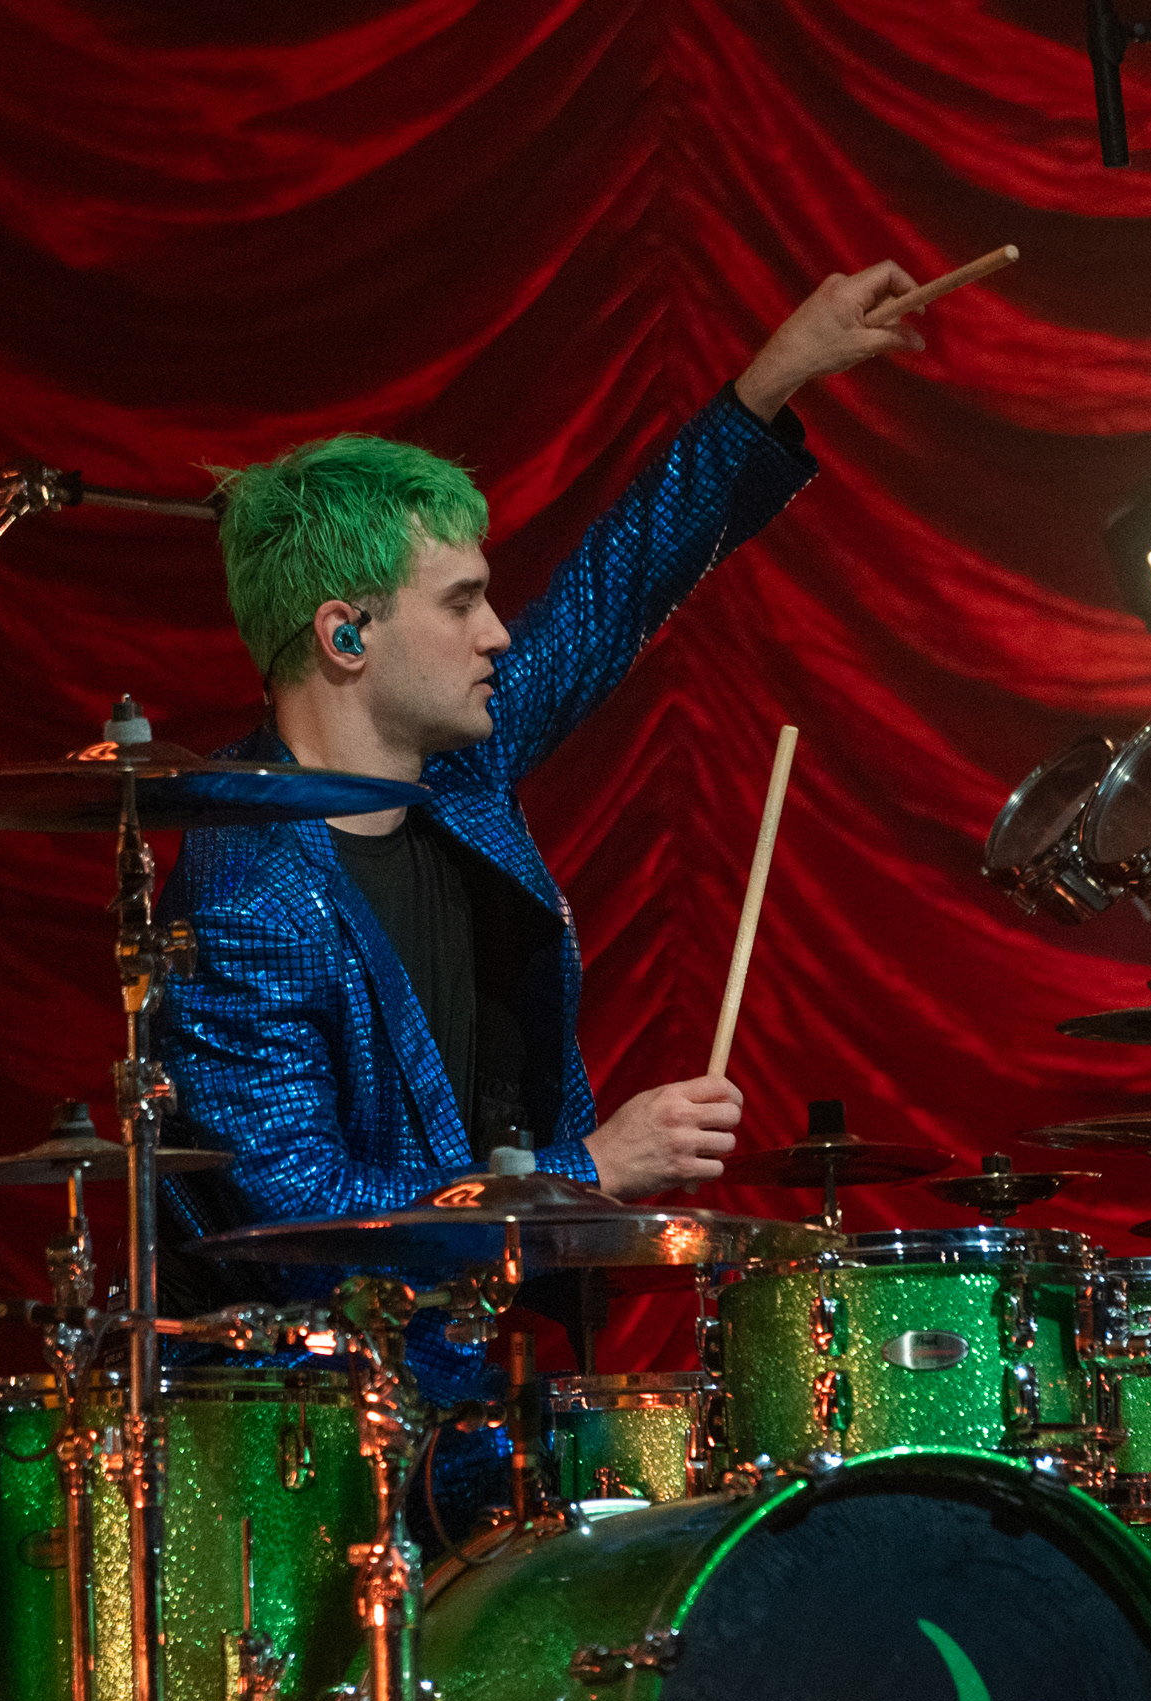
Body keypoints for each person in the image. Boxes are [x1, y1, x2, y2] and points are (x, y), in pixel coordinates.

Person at [154, 263, 924, 1520]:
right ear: (345, 635)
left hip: (489, 1397)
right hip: (323, 1460)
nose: (499, 633)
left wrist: (772, 378)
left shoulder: (457, 773)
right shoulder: (246, 892)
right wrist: (588, 1167)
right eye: (461, 602)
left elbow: (610, 595)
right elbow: (304, 1225)